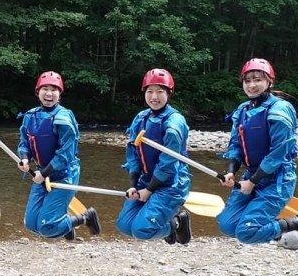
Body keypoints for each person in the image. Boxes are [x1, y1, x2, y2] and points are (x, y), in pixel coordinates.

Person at [216, 58, 298, 248]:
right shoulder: (243, 110)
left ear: (269, 81)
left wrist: (252, 183)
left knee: (245, 233)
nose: (252, 85)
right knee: (227, 225)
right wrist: (231, 172)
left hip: (278, 179)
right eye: (247, 80)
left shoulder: (280, 110)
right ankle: (271, 226)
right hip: (251, 173)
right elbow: (236, 145)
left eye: (258, 79)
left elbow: (278, 153)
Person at [17, 71, 100, 240]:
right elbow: (25, 142)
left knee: (46, 228)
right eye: (45, 89)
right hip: (42, 173)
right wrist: (24, 157)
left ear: (60, 94)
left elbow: (65, 155)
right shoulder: (30, 116)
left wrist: (44, 173)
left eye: (54, 89)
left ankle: (85, 217)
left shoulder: (63, 118)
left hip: (64, 174)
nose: (49, 93)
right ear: (37, 92)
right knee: (31, 224)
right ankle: (64, 223)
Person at [116, 69, 192, 244]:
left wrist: (148, 190)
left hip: (171, 184)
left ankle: (176, 222)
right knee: (124, 225)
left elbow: (168, 164)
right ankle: (165, 223)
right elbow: (132, 154)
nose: (154, 97)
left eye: (160, 91)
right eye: (150, 91)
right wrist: (134, 185)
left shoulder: (174, 122)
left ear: (168, 93)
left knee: (142, 230)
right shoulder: (141, 118)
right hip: (146, 180)